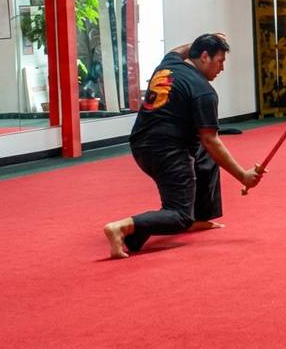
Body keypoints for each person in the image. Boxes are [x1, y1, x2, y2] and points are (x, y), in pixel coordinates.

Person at [103, 33, 262, 258]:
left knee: (204, 157)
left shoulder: (169, 64)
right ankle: (121, 227)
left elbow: (179, 50)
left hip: (140, 144)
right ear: (204, 57)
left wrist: (204, 39)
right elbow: (211, 140)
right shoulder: (203, 91)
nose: (222, 68)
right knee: (179, 215)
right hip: (166, 152)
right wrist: (243, 176)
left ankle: (196, 218)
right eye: (220, 61)